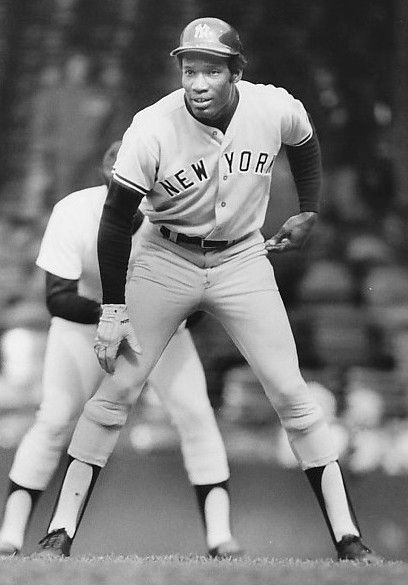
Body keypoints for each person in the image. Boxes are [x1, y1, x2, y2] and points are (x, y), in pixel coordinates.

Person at [37, 18, 379, 562]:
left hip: (243, 257)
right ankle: (59, 534)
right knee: (116, 394)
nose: (197, 82)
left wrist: (310, 208)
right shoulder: (151, 127)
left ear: (236, 72)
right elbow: (114, 218)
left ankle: (349, 539)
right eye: (189, 69)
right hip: (163, 256)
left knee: (292, 394)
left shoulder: (272, 107)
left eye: (211, 70)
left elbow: (305, 140)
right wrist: (112, 308)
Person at [0, 141, 241, 559]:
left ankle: (221, 538)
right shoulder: (75, 211)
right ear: (107, 180)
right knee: (55, 419)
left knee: (195, 414)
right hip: (85, 328)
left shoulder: (184, 215)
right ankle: (10, 534)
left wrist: (161, 318)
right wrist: (116, 316)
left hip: (159, 329)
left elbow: (204, 291)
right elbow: (58, 298)